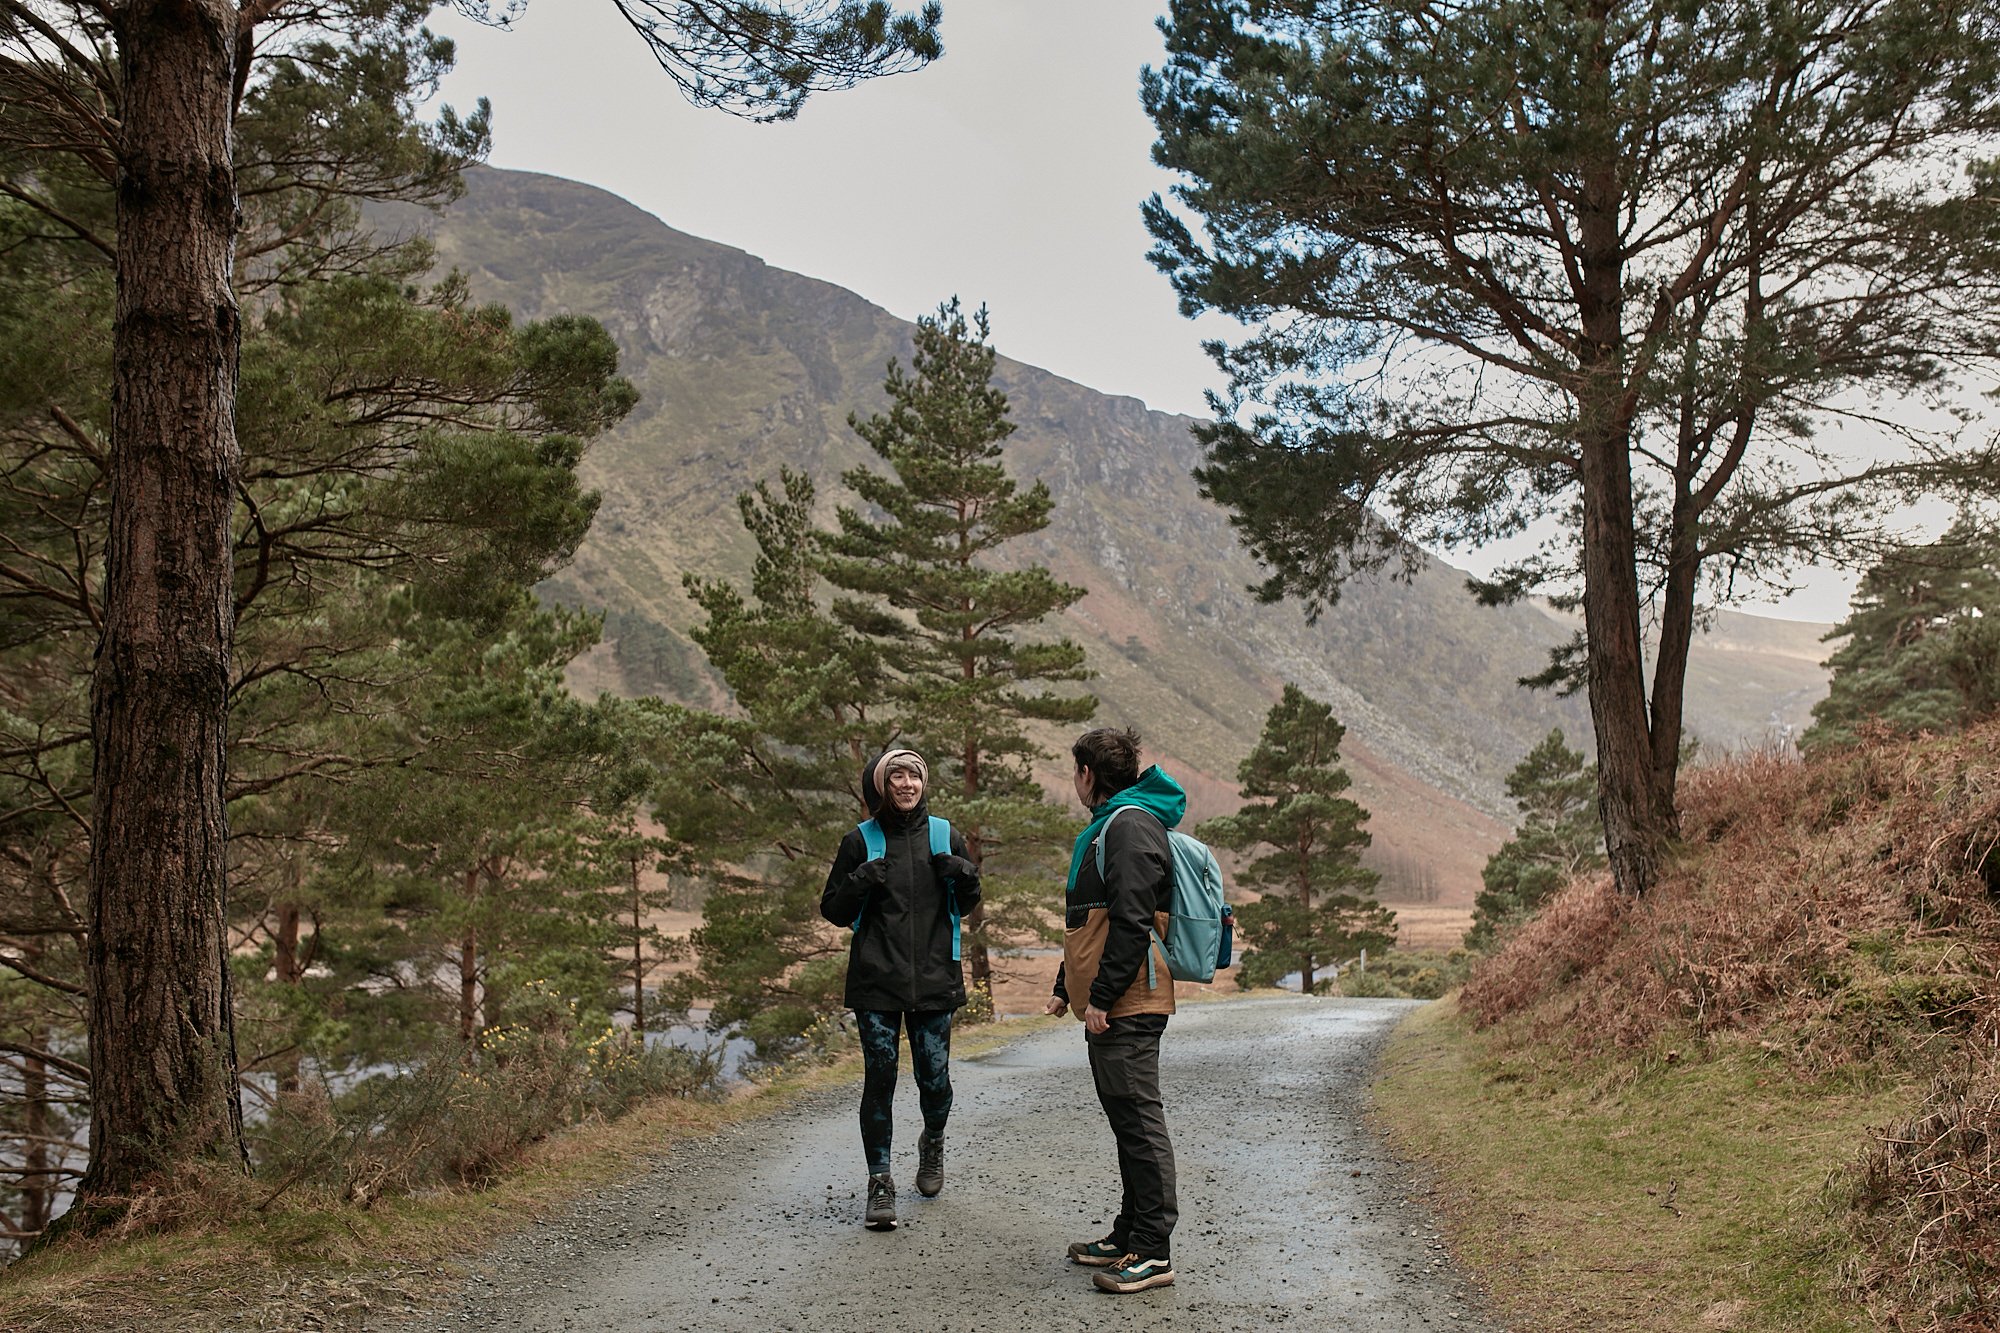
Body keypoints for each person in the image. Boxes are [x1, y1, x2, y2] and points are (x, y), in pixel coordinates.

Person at [821, 747, 982, 1230]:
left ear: (924, 783)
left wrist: (966, 874)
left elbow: (969, 902)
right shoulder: (860, 841)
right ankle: (879, 1181)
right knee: (881, 1079)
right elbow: (834, 910)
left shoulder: (944, 834)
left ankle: (932, 1140)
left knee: (935, 1079)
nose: (907, 784)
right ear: (881, 785)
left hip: (935, 979)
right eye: (897, 776)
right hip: (876, 982)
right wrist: (859, 881)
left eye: (914, 775)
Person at [1047, 726, 1182, 1294]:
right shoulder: (1114, 824)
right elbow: (1090, 919)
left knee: (1139, 1121)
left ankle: (1152, 1251)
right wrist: (1066, 985)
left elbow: (1131, 919)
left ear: (1087, 774)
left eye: (1075, 773)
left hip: (1129, 1000)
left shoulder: (1128, 825)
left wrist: (1101, 997)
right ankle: (1129, 1233)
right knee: (1126, 1120)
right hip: (1113, 998)